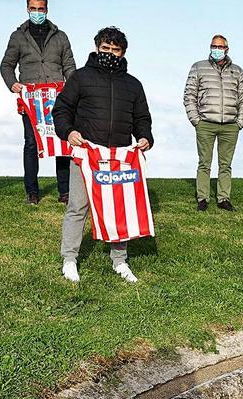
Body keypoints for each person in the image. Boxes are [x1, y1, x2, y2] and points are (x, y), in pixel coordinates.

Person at [53, 27, 153, 284]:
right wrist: (69, 131)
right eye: (105, 48)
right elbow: (61, 109)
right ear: (97, 48)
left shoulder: (133, 85)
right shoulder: (80, 77)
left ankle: (119, 261)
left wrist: (144, 137)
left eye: (115, 50)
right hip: (86, 154)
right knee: (78, 206)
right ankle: (69, 258)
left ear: (123, 52)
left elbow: (142, 118)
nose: (110, 53)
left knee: (119, 209)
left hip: (119, 158)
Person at [0, 0, 77, 205]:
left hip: (58, 100)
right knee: (31, 144)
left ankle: (65, 191)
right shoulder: (18, 37)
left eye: (40, 9)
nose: (37, 12)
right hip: (31, 101)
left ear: (47, 9)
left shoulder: (61, 37)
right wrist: (13, 84)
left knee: (61, 144)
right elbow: (6, 65)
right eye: (33, 9)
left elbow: (69, 66)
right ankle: (32, 192)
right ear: (27, 9)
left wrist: (73, 86)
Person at [184, 34, 243, 212]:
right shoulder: (198, 67)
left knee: (225, 164)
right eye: (214, 46)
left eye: (220, 47)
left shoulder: (237, 70)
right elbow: (189, 95)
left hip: (230, 125)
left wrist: (240, 121)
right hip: (205, 123)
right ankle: (202, 198)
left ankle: (223, 198)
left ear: (227, 49)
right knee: (204, 163)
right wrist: (195, 119)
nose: (217, 50)